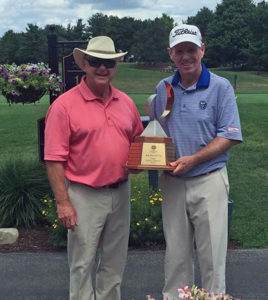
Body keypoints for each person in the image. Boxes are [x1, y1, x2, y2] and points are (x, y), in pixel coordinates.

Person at [44, 36, 143, 300]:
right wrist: (63, 203)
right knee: (82, 265)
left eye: (108, 63)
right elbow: (54, 159)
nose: (102, 68)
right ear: (85, 64)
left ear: (115, 66)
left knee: (114, 265)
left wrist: (140, 162)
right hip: (83, 195)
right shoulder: (63, 106)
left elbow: (138, 142)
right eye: (96, 62)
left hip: (121, 193)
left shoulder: (126, 103)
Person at [152, 24, 243, 299]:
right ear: (171, 54)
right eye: (180, 51)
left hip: (209, 179)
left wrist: (194, 159)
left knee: (212, 255)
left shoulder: (220, 87)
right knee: (176, 255)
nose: (186, 56)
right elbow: (157, 132)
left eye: (192, 49)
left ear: (202, 50)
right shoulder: (163, 87)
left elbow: (228, 136)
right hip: (173, 182)